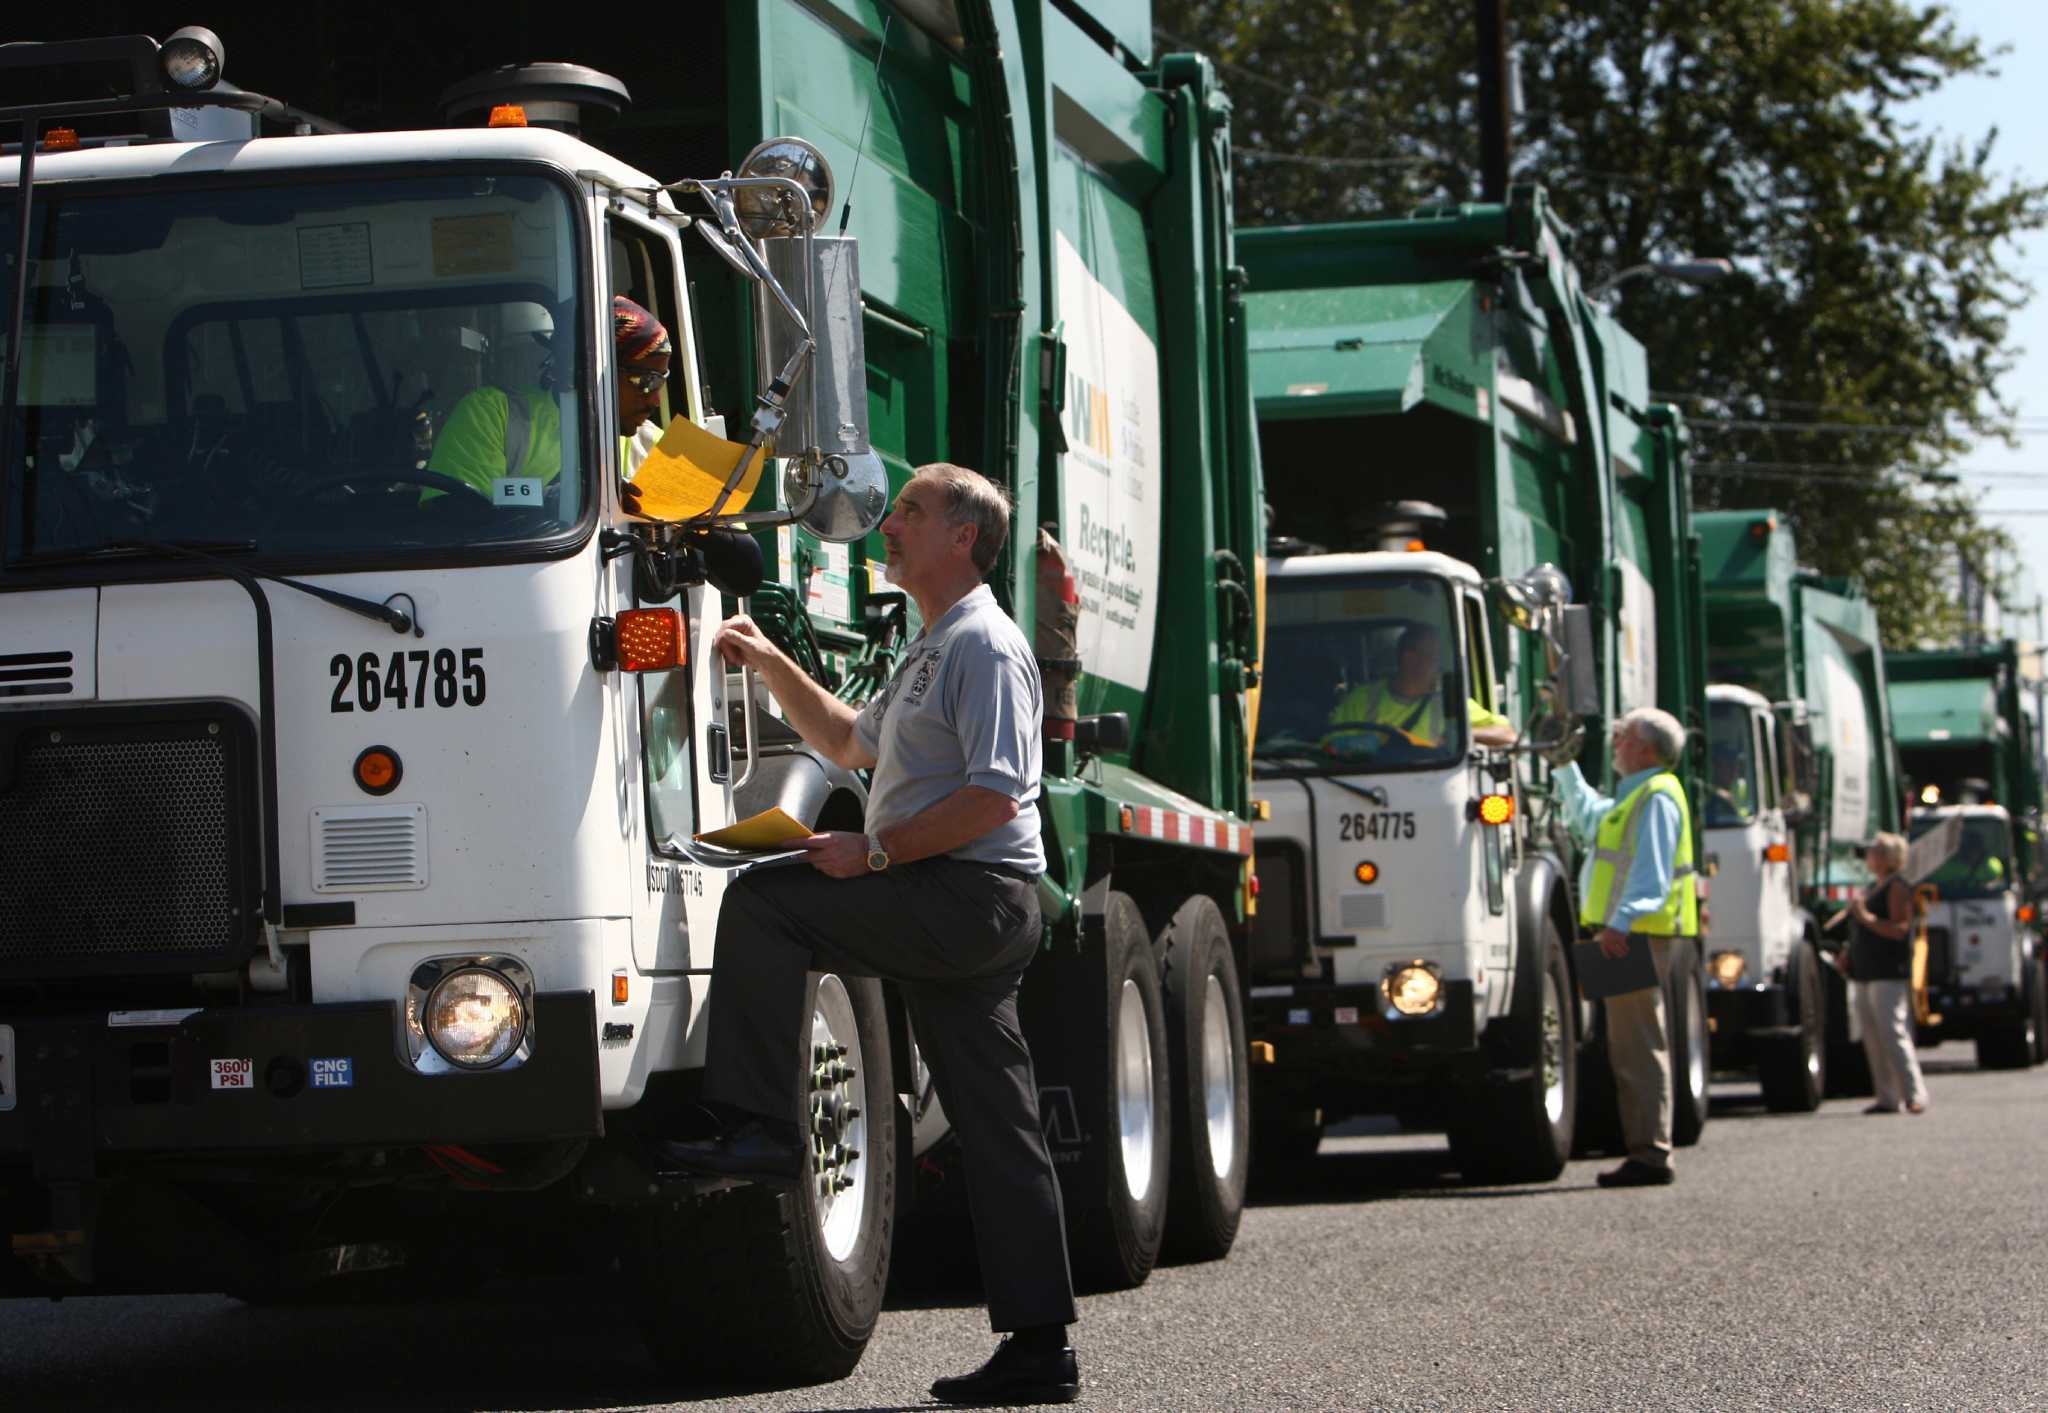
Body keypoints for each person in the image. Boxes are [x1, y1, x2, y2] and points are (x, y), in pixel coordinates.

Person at [663, 462, 1080, 1405]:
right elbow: (852, 742)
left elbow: (995, 793)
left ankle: (761, 1128)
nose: (888, 526)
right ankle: (1041, 1346)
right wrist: (771, 662)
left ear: (962, 538)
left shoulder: (986, 645)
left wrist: (877, 851)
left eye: (910, 513)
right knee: (999, 1126)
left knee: (767, 903)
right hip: (954, 900)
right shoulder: (934, 644)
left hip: (969, 899)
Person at [1554, 707, 1697, 1188]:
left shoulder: (1656, 797)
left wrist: (1618, 924)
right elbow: (1589, 818)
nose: (1616, 741)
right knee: (1626, 1045)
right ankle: (1644, 1148)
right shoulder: (1634, 796)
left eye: (1624, 735)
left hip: (1631, 936)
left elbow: (1651, 875)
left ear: (1647, 749)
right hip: (1624, 934)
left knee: (1638, 1045)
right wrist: (1562, 766)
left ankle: (1651, 1154)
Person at [426, 294, 672, 497]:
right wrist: (561, 502)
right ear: (592, 368)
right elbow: (452, 514)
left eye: (662, 380)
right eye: (645, 381)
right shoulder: (493, 416)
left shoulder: (651, 443)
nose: (655, 401)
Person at [1837, 832, 1929, 1115]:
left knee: (1892, 1032)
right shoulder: (1872, 887)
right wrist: (1848, 954)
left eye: (1875, 851)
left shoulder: (1898, 887)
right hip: (1865, 971)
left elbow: (1900, 929)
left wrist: (1866, 918)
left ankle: (1914, 1093)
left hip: (1888, 972)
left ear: (1888, 857)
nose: (1869, 855)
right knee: (1872, 1036)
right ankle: (1887, 1097)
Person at [1327, 622, 1515, 747]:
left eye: (1435, 657)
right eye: (1430, 655)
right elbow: (1330, 746)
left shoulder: (1449, 702)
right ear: (1406, 657)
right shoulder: (1362, 699)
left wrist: (1461, 733)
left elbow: (1507, 735)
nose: (1435, 664)